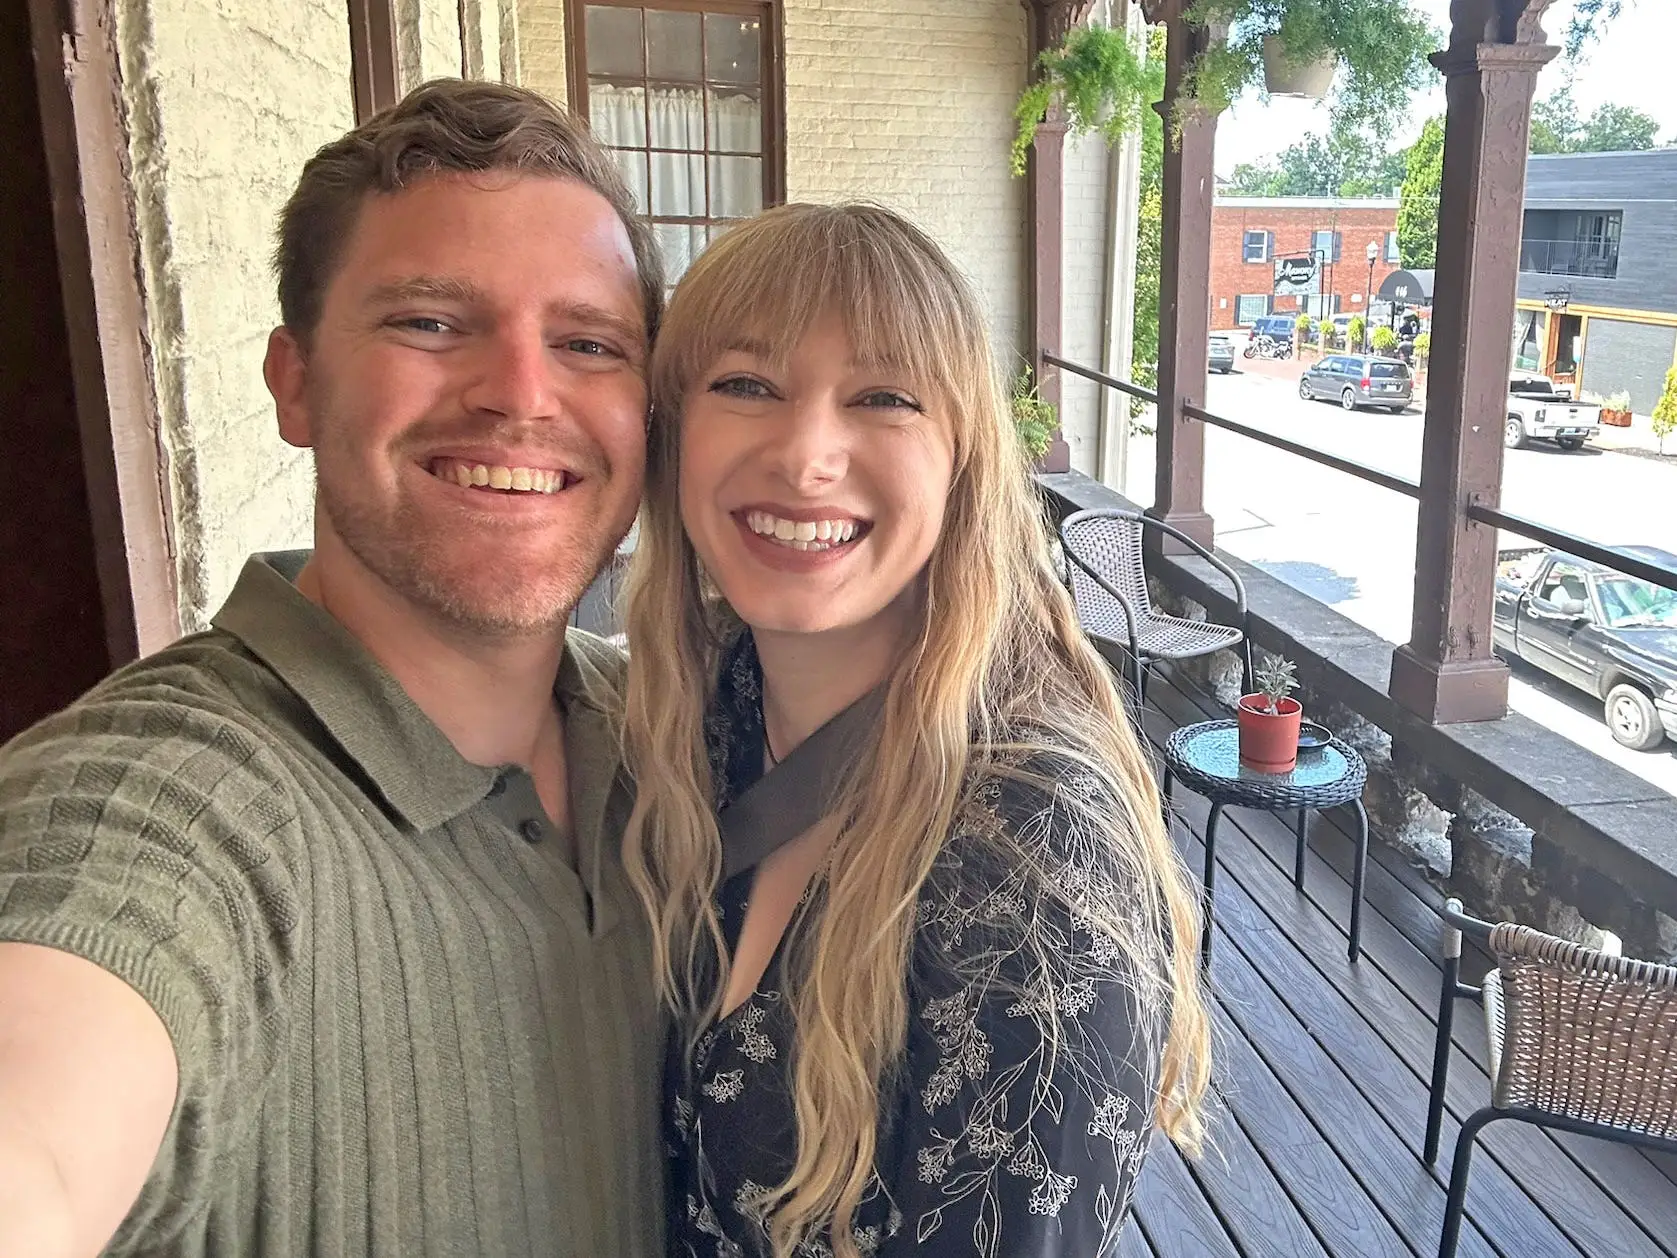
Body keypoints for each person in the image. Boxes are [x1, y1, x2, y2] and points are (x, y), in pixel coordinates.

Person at [0, 80, 667, 1257]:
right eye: (428, 321)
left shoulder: (660, 731)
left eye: (587, 343)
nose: (521, 392)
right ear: (295, 381)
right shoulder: (176, 806)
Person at [620, 203, 1211, 1258]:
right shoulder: (704, 715)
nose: (805, 457)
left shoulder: (1032, 859)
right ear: (671, 436)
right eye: (746, 385)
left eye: (883, 398)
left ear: (963, 465)